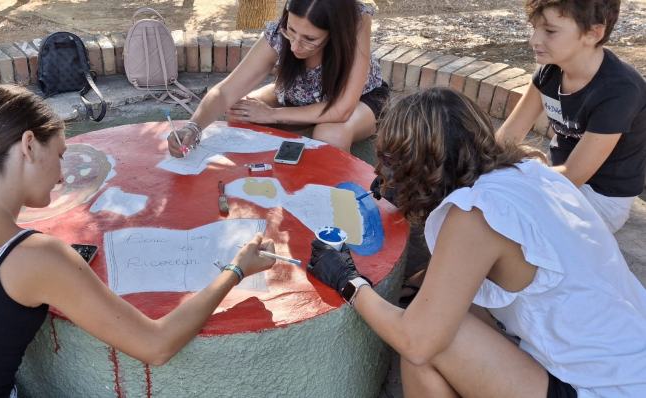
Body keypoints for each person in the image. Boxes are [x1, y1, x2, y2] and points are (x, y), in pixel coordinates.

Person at [0, 85, 276, 396]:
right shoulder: (37, 257)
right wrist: (236, 268)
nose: (61, 175)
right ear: (29, 144)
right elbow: (158, 345)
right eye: (60, 155)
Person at [308, 88, 646, 397]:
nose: (383, 174)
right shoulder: (530, 173)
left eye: (393, 165)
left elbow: (417, 341)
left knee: (429, 343)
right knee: (438, 323)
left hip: (604, 388)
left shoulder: (474, 215)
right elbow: (467, 274)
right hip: (628, 361)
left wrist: (347, 280)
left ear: (422, 169)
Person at [496, 0, 646, 233]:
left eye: (550, 31)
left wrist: (513, 180)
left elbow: (573, 176)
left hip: (602, 198)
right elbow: (505, 140)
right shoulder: (550, 72)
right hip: (557, 177)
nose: (534, 40)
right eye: (534, 28)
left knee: (509, 225)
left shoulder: (620, 90)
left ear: (594, 33)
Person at [167, 0, 388, 154]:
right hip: (300, 94)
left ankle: (331, 195)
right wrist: (193, 127)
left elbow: (342, 109)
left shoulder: (357, 22)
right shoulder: (278, 33)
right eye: (290, 31)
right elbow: (225, 91)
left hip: (359, 100)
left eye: (309, 39)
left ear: (335, 32)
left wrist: (273, 115)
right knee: (240, 112)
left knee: (330, 134)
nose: (294, 46)